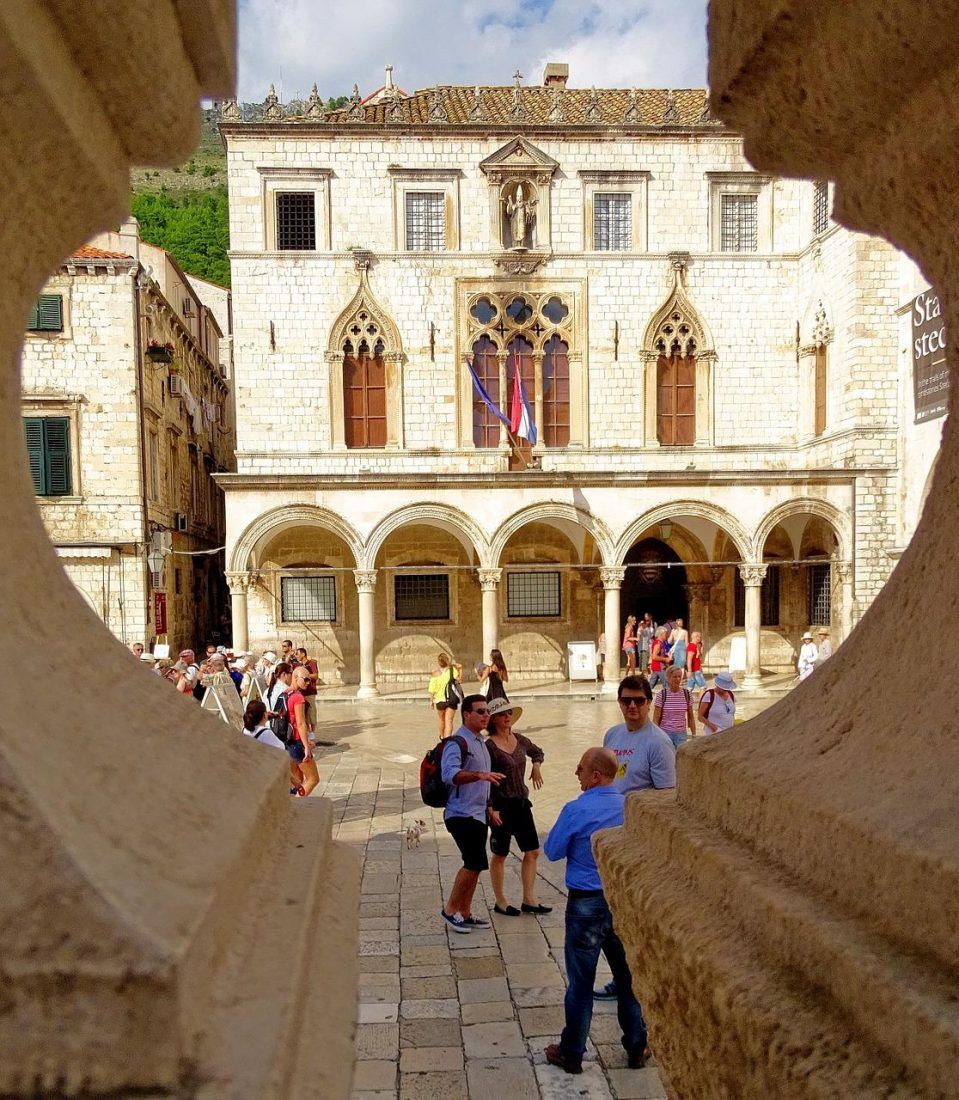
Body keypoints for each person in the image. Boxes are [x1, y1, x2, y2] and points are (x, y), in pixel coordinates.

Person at [543, 747, 649, 1075]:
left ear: (595, 775)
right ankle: (637, 1046)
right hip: (621, 902)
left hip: (585, 905)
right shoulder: (631, 808)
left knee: (580, 983)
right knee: (628, 979)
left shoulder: (576, 810)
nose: (576, 773)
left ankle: (572, 1052)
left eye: (580, 769)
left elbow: (552, 851)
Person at [595, 675, 676, 1001]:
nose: (632, 706)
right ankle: (623, 977)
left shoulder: (658, 743)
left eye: (639, 701)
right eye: (626, 700)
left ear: (648, 702)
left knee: (636, 915)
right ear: (619, 702)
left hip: (638, 840)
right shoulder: (612, 735)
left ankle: (639, 982)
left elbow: (667, 797)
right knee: (614, 916)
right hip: (612, 834)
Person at [439, 695, 504, 934]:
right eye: (480, 711)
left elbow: (485, 784)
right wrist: (479, 775)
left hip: (478, 814)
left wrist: (490, 808)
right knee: (472, 863)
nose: (486, 715)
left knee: (476, 865)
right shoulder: (457, 743)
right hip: (461, 813)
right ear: (466, 714)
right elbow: (449, 775)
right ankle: (450, 910)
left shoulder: (480, 742)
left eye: (487, 711)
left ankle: (464, 912)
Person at [484, 697, 550, 916]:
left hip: (521, 803)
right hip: (500, 806)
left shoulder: (520, 739)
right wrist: (490, 807)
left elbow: (537, 752)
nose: (507, 716)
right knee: (500, 854)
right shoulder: (489, 747)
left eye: (509, 713)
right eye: (502, 714)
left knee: (532, 851)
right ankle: (500, 901)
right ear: (493, 719)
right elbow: (485, 780)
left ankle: (529, 899)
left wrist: (536, 767)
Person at [286, 665, 319, 796]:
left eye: (309, 680)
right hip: (297, 742)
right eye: (305, 679)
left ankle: (290, 804)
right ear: (295, 678)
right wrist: (306, 745)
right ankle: (297, 804)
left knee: (297, 780)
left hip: (288, 743)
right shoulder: (298, 697)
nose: (308, 682)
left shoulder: (285, 693)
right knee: (313, 779)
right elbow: (300, 723)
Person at [653, 663, 697, 749]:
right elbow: (656, 718)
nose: (678, 679)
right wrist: (655, 736)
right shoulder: (662, 695)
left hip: (681, 734)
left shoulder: (687, 694)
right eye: (675, 677)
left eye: (679, 676)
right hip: (665, 733)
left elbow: (691, 716)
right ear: (668, 678)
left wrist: (694, 734)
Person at [428, 652, 462, 740]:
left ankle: (442, 737)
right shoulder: (452, 671)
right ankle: (448, 739)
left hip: (440, 700)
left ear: (439, 662)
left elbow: (432, 689)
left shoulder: (435, 674)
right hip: (451, 699)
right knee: (449, 720)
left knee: (441, 719)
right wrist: (460, 669)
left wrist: (431, 701)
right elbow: (460, 680)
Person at [294, 647, 319, 733]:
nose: (296, 656)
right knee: (304, 713)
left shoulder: (311, 663)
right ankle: (307, 730)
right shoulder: (298, 665)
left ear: (303, 654)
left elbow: (315, 676)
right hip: (301, 692)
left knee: (311, 712)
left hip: (310, 691)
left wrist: (305, 675)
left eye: (297, 654)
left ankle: (313, 731)